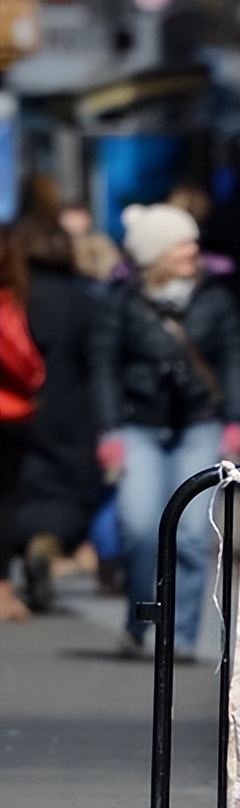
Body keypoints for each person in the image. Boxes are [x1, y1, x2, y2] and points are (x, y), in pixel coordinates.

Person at [90, 204, 240, 660]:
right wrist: (109, 431)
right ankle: (140, 618)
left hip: (199, 422)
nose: (193, 250)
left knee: (190, 534)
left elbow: (235, 357)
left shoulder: (215, 297)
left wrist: (237, 419)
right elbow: (104, 365)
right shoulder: (123, 299)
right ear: (157, 251)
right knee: (140, 526)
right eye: (182, 243)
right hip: (138, 424)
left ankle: (179, 637)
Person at [12, 216, 102, 613]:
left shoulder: (14, 296)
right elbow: (98, 361)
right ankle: (45, 544)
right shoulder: (82, 298)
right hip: (71, 410)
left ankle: (20, 548)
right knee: (64, 491)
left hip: (15, 404)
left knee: (16, 486)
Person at [0, 224, 44, 622]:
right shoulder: (6, 303)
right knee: (5, 502)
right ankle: (2, 590)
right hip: (8, 411)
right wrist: (35, 375)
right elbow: (21, 360)